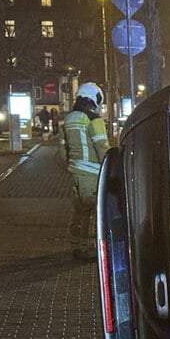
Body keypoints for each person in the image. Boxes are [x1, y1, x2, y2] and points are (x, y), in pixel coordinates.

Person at [58, 82, 110, 260]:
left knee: (78, 212)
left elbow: (61, 151)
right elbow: (102, 148)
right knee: (95, 213)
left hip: (76, 174)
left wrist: (71, 166)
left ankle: (77, 247)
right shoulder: (94, 121)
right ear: (93, 99)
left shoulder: (68, 119)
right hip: (93, 175)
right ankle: (94, 250)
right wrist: (111, 168)